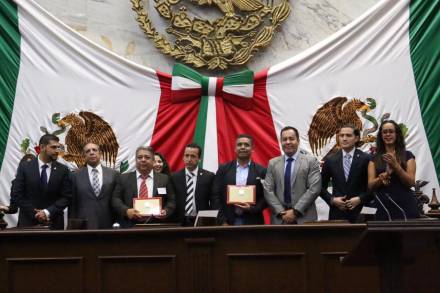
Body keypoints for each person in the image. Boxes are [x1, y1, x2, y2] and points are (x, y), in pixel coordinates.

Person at [10, 134, 72, 229]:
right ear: (42, 147)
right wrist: (35, 213)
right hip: (28, 223)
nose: (57, 151)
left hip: (54, 224)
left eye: (58, 148)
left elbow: (66, 197)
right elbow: (17, 194)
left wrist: (47, 212)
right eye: (53, 147)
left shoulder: (63, 170)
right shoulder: (25, 167)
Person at [264, 126, 321, 224]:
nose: (288, 142)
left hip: (304, 217)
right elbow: (267, 190)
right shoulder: (273, 163)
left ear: (298, 141)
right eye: (284, 139)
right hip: (280, 219)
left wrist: (295, 211)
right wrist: (281, 212)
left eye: (291, 139)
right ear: (281, 142)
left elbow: (314, 189)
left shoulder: (311, 161)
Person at [112, 146, 176, 227]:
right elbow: (115, 199)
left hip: (156, 226)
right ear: (135, 160)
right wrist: (126, 211)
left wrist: (166, 211)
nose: (143, 160)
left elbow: (172, 200)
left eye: (147, 157)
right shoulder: (123, 178)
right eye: (139, 157)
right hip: (130, 226)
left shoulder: (164, 179)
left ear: (153, 161)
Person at [368, 120, 419, 220]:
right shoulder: (373, 158)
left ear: (397, 134)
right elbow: (370, 186)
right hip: (382, 206)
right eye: (385, 132)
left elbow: (411, 183)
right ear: (381, 135)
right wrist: (385, 175)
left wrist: (396, 167)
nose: (388, 134)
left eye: (391, 131)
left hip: (405, 205)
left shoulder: (408, 156)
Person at [211, 134, 266, 225]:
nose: (243, 147)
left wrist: (253, 209)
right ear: (235, 148)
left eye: (246, 145)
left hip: (253, 221)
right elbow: (215, 196)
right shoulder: (223, 169)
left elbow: (266, 197)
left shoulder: (262, 171)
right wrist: (222, 221)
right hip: (227, 222)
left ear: (252, 149)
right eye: (239, 145)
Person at [320, 124, 371, 222]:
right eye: (341, 135)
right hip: (337, 213)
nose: (344, 138)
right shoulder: (330, 160)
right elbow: (321, 187)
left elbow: (373, 186)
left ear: (356, 138)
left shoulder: (366, 158)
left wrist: (360, 199)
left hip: (362, 213)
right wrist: (332, 200)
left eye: (348, 135)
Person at [70, 142, 119, 229]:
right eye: (88, 151)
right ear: (84, 156)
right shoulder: (75, 176)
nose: (91, 153)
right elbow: (73, 204)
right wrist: (73, 225)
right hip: (84, 224)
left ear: (100, 153)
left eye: (94, 150)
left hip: (109, 223)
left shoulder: (114, 174)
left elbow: (117, 200)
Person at [171, 143, 215, 226]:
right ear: (183, 157)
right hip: (179, 220)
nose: (189, 159)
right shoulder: (174, 177)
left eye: (193, 156)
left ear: (199, 159)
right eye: (186, 156)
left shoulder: (209, 176)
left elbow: (213, 200)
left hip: (201, 220)